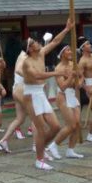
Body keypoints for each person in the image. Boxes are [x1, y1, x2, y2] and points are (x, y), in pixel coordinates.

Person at [22, 18, 73, 170]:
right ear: (30, 48)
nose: (38, 43)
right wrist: (57, 72)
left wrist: (67, 28)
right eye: (34, 42)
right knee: (41, 129)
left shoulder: (41, 53)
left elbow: (55, 42)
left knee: (56, 127)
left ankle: (41, 149)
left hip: (40, 94)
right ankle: (39, 159)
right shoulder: (27, 62)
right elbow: (37, 75)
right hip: (31, 94)